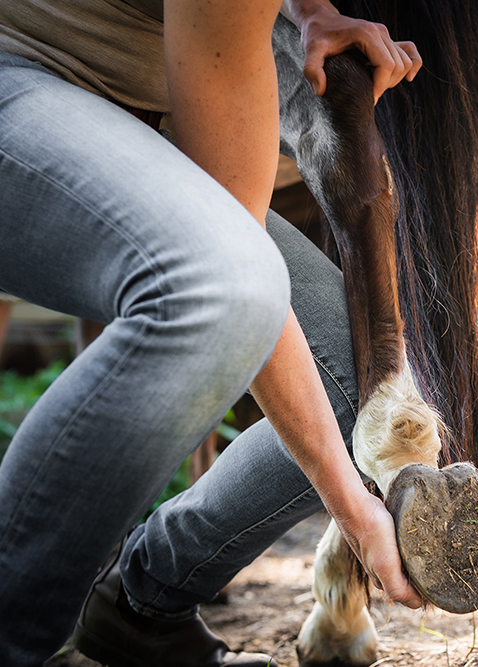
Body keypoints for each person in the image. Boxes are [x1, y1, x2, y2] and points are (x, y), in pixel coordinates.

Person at [0, 0, 429, 664]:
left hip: (134, 129)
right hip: (19, 84)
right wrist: (350, 501)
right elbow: (242, 260)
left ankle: (144, 604)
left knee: (356, 385)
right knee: (218, 284)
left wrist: (310, 12)